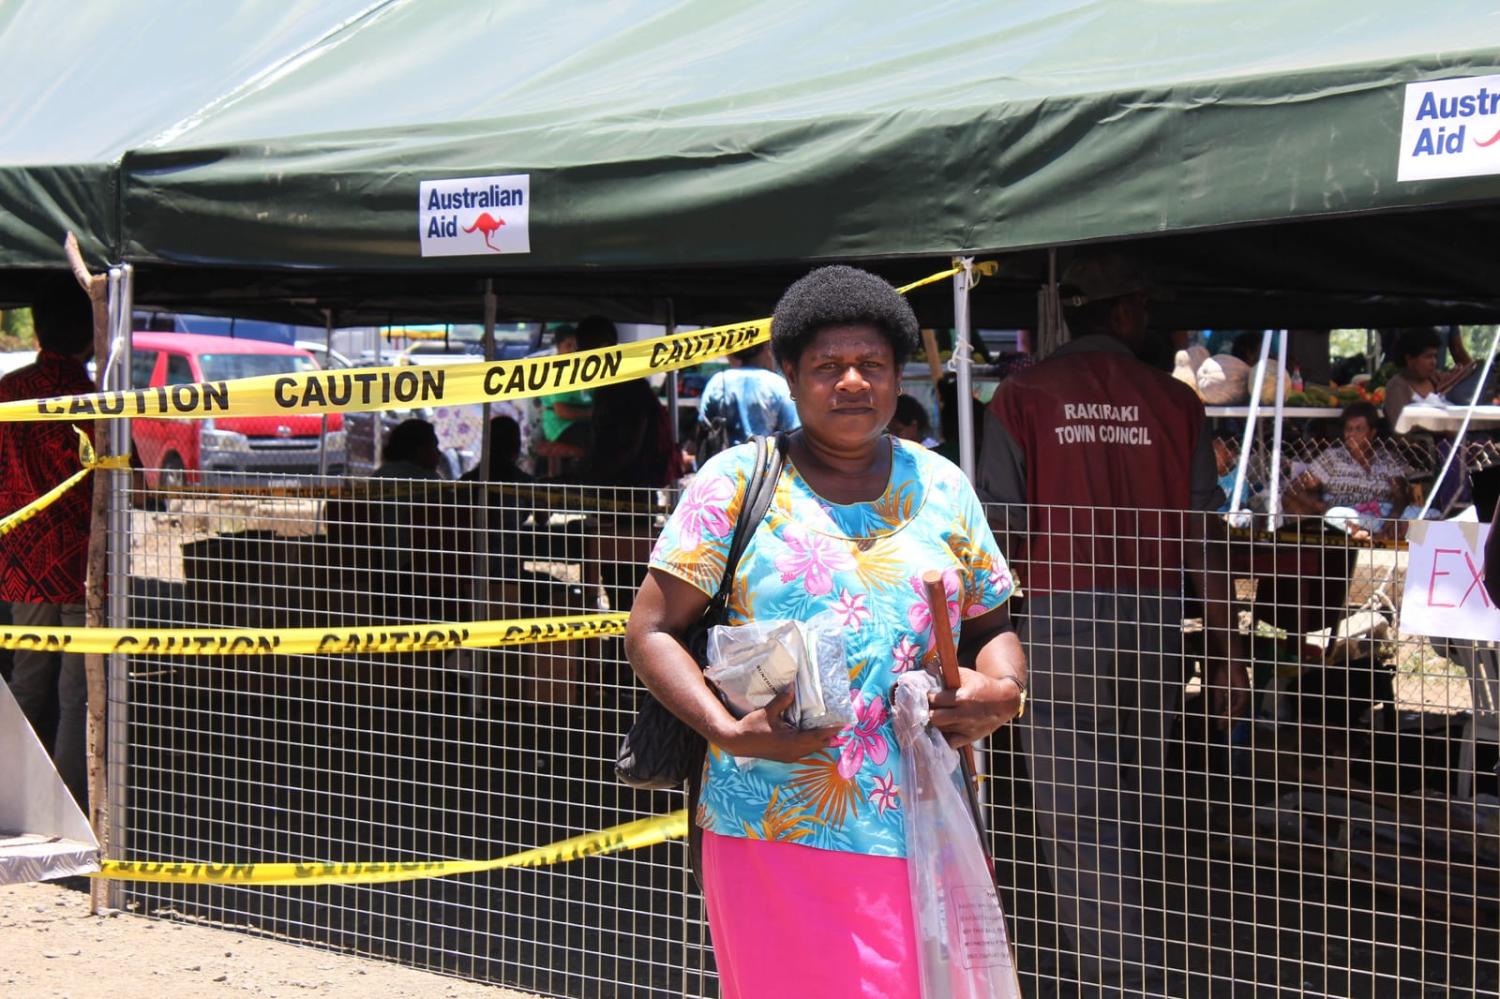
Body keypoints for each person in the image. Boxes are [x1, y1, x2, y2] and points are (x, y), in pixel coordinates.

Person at [626, 265, 1025, 998]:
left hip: (921, 817)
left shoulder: (942, 487)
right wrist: (726, 728)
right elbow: (650, 628)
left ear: (897, 374)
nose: (851, 381)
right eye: (827, 366)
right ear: (788, 373)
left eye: (872, 364)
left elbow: (991, 625)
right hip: (767, 820)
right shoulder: (737, 482)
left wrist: (1003, 689)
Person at [977, 251, 1246, 996]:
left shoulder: (1022, 396)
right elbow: (1203, 532)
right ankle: (1130, 951)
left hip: (1060, 617)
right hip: (1156, 617)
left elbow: (997, 524)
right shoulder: (1174, 402)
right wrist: (1226, 650)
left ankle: (1113, 966)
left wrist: (981, 635)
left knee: (1074, 803)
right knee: (1136, 788)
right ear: (1126, 312)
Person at [0, 285, 97, 808]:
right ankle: (70, 811)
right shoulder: (99, 402)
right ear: (92, 334)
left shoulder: (8, 391)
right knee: (77, 695)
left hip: (21, 564)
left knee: (27, 685)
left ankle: (15, 801)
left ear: (36, 330)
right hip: (83, 566)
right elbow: (138, 487)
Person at [1283, 402, 1411, 540]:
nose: (1351, 434)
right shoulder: (1333, 458)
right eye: (1348, 429)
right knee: (1335, 515)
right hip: (1347, 516)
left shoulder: (1387, 458)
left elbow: (1401, 496)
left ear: (1372, 432)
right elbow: (1294, 489)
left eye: (1358, 429)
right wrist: (1319, 505)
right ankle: (1369, 535)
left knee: (1427, 515)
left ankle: (1378, 534)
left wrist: (1392, 520)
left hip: (1382, 516)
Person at [695, 340, 798, 459]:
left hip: (727, 465)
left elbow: (703, 425)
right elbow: (792, 431)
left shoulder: (718, 381)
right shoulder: (777, 384)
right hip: (768, 467)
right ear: (765, 349)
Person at [373, 418, 443, 479]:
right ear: (420, 451)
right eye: (434, 447)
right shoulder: (429, 480)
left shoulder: (379, 476)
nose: (439, 453)